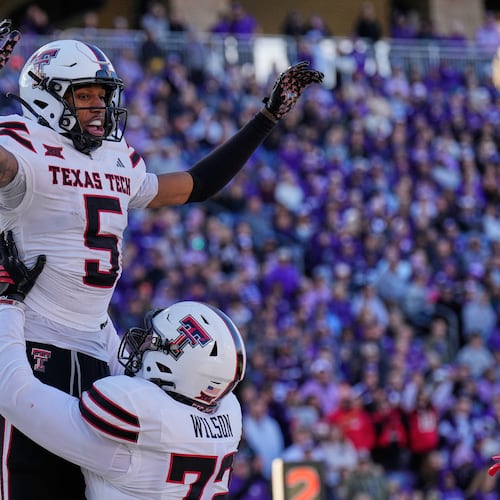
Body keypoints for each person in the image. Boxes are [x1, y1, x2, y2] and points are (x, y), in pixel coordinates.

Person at [0, 21, 324, 499]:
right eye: (86, 95)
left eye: (103, 95)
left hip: (95, 348)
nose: (100, 108)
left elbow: (197, 184)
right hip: (27, 336)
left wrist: (265, 120)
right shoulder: (22, 144)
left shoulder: (115, 157)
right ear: (48, 95)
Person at [0, 229, 247, 499]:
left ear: (171, 366)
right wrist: (86, 302)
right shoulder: (224, 413)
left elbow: (14, 394)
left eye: (154, 341)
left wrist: (7, 301)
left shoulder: (137, 425)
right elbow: (119, 358)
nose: (142, 344)